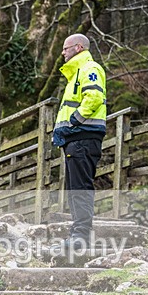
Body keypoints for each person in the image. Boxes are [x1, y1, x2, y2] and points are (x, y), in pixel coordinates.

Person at [52, 33, 107, 250]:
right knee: (74, 187)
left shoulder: (89, 69)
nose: (62, 53)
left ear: (77, 47)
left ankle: (81, 235)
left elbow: (93, 98)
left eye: (65, 48)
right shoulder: (76, 73)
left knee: (80, 187)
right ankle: (78, 233)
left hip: (83, 137)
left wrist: (74, 121)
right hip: (76, 139)